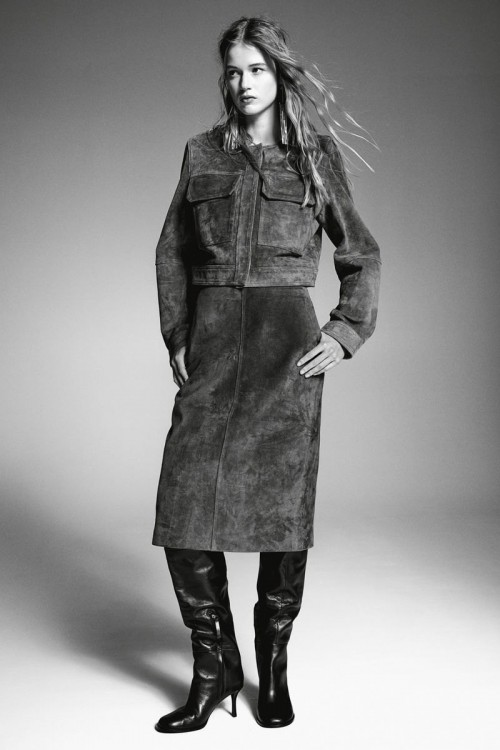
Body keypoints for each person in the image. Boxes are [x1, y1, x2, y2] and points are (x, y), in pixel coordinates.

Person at [152, 16, 381, 733]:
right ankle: (213, 668)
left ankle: (272, 665)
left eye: (256, 69)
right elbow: (172, 251)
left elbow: (360, 253)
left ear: (279, 74)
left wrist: (344, 333)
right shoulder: (201, 153)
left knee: (282, 516)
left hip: (286, 351)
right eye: (233, 69)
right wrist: (178, 332)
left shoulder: (314, 157)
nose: (243, 82)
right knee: (185, 509)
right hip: (214, 345)